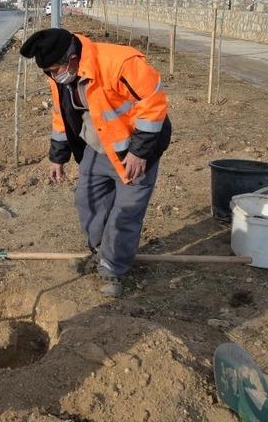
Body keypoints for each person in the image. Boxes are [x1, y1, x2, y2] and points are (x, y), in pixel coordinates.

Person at [20, 28, 171, 297]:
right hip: (97, 145)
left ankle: (113, 268)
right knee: (87, 201)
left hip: (135, 150)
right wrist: (58, 157)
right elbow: (60, 116)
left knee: (125, 213)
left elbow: (153, 103)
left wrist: (140, 152)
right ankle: (102, 250)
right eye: (49, 72)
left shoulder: (119, 62)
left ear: (73, 58)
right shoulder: (59, 77)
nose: (54, 77)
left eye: (56, 70)